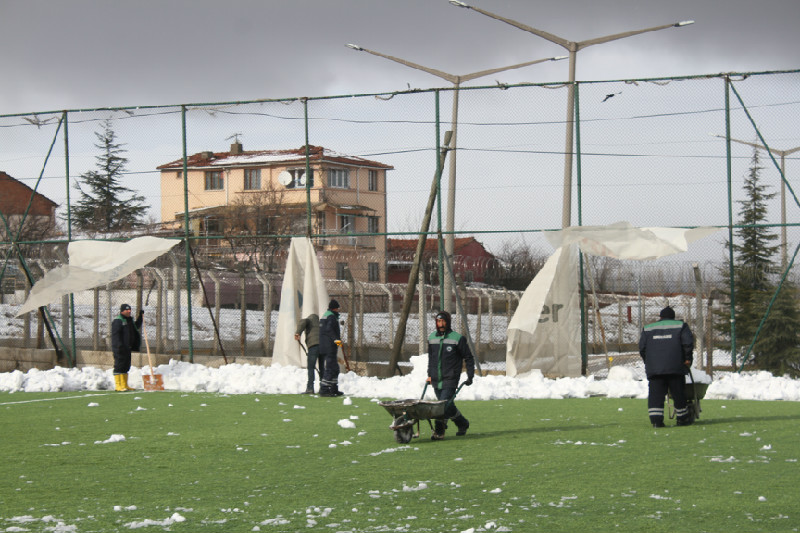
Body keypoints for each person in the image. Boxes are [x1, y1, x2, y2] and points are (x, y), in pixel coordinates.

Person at [638, 306, 695, 427]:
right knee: (678, 392)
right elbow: (688, 344)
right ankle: (682, 418)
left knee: (655, 395)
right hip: (675, 367)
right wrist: (688, 359)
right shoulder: (681, 326)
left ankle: (656, 421)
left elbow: (642, 348)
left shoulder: (648, 328)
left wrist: (649, 362)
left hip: (655, 369)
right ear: (673, 317)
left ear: (660, 317)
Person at [427, 311, 474, 440]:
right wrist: (429, 375)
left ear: (448, 322)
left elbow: (468, 357)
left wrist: (470, 375)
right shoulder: (432, 338)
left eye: (443, 321)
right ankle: (463, 423)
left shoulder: (457, 338)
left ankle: (439, 432)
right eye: (438, 321)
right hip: (437, 379)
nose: (440, 324)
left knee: (442, 405)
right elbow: (431, 359)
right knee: (448, 406)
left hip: (451, 378)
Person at [111, 303, 143, 392]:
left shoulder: (129, 320)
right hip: (120, 348)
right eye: (127, 310)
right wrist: (119, 346)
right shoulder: (118, 321)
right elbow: (116, 335)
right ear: (122, 311)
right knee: (119, 365)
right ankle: (118, 385)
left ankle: (125, 385)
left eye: (130, 310)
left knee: (126, 366)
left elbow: (135, 327)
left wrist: (140, 317)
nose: (129, 311)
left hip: (128, 347)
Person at [318, 299, 344, 397]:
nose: (338, 310)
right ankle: (324, 389)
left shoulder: (325, 315)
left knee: (335, 368)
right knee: (330, 368)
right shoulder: (331, 317)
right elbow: (329, 329)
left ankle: (333, 388)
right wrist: (336, 339)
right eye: (338, 308)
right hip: (329, 346)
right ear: (335, 308)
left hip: (324, 345)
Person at [295, 313, 324, 394]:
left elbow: (302, 322)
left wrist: (298, 333)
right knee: (322, 367)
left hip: (313, 346)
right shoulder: (321, 324)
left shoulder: (308, 320)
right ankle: (323, 388)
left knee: (311, 367)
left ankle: (310, 388)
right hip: (323, 346)